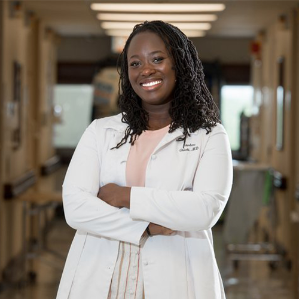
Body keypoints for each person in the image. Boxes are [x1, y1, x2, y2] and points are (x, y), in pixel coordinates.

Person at [56, 20, 233, 299]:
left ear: (179, 64)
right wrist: (146, 227)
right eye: (135, 63)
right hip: (102, 279)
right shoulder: (101, 131)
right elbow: (76, 207)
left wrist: (125, 196)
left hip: (177, 279)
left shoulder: (209, 136)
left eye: (158, 59)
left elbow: (204, 210)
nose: (146, 70)